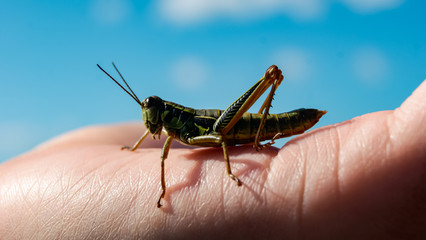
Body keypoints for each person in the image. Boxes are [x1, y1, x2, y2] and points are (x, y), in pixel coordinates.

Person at [0, 81, 425, 239]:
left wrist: (228, 169)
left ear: (160, 109)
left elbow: (216, 138)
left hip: (233, 127)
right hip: (225, 127)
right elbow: (154, 139)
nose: (149, 119)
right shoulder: (164, 128)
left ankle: (261, 126)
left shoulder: (181, 129)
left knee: (221, 131)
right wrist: (132, 148)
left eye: (150, 110)